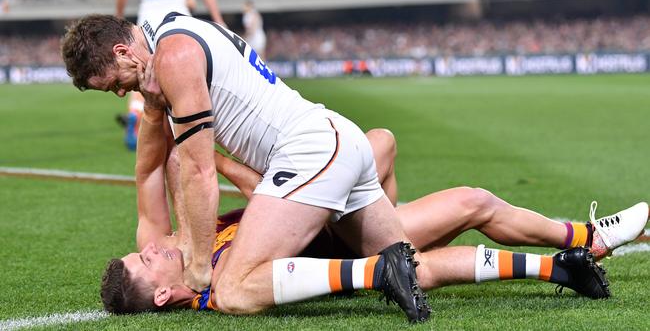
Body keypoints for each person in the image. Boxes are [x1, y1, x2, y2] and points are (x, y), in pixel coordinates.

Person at [61, 13, 430, 322]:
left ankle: (378, 272)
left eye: (113, 85)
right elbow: (164, 168)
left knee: (234, 291)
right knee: (429, 252)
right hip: (313, 168)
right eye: (146, 259)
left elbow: (189, 170)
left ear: (122, 51)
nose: (121, 94)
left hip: (306, 168)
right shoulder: (174, 30)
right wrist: (156, 110)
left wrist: (200, 263)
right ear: (161, 294)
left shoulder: (174, 56)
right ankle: (416, 267)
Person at [100, 121, 638, 315]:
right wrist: (211, 157)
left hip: (340, 220)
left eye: (141, 248)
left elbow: (152, 170)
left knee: (379, 141)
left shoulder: (178, 241)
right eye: (146, 261)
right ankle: (588, 239)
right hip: (349, 246)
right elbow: (267, 201)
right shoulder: (222, 283)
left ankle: (576, 250)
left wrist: (163, 116)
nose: (151, 248)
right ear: (166, 294)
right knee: (475, 202)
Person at [115, 0, 226, 150]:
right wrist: (218, 18)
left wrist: (118, 18)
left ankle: (137, 113)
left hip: (148, 20)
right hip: (179, 19)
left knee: (143, 72)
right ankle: (185, 127)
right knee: (182, 76)